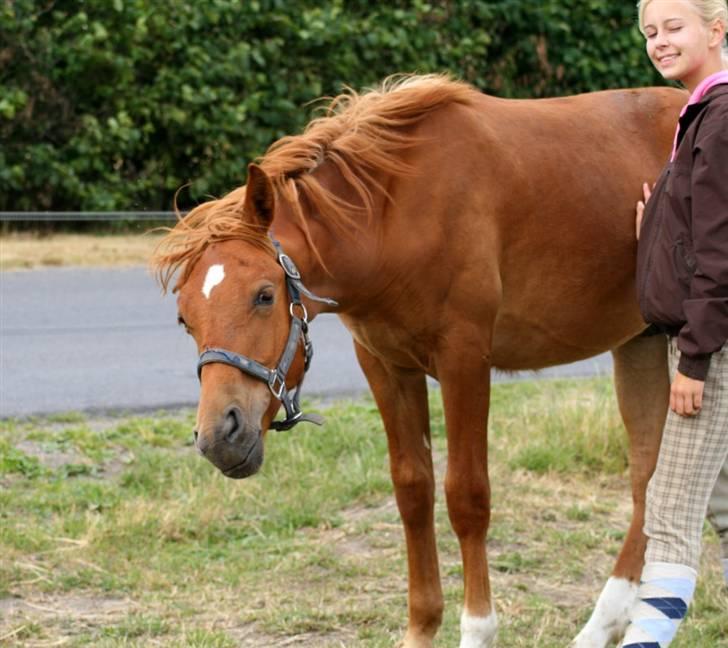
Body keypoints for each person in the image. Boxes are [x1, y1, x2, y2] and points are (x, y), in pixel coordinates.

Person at [624, 0, 728, 646]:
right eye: (650, 33)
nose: (659, 42)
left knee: (671, 506)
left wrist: (693, 360)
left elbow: (721, 254)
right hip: (705, 338)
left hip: (708, 347)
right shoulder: (704, 115)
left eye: (673, 28)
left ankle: (643, 641)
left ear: (717, 29)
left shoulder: (719, 121)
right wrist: (655, 229)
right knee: (719, 497)